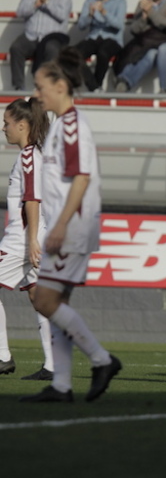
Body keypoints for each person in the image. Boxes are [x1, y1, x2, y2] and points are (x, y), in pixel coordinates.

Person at [20, 47, 122, 403]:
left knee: (45, 301)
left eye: (40, 86)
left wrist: (60, 226)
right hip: (65, 227)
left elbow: (81, 178)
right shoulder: (60, 126)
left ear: (60, 86)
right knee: (54, 301)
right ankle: (62, 385)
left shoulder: (74, 126)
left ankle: (102, 360)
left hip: (72, 229)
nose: (36, 94)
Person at [0, 98, 54, 381]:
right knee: (38, 296)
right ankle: (54, 365)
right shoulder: (34, 153)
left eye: (7, 123)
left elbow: (32, 199)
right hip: (34, 236)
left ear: (22, 126)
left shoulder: (29, 156)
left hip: (23, 238)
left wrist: (32, 240)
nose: (3, 128)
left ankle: (2, 356)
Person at [113, 0, 166, 92]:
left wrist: (151, 12)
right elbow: (134, 30)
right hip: (145, 42)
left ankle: (124, 80)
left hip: (164, 42)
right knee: (146, 53)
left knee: (151, 54)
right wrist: (144, 17)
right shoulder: (143, 2)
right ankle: (124, 81)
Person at [9, 0, 72, 91]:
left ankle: (47, 87)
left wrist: (47, 2)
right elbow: (20, 12)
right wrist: (35, 4)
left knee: (52, 50)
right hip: (31, 35)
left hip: (52, 36)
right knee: (16, 48)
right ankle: (18, 87)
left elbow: (62, 15)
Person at [74, 0, 127, 92]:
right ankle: (94, 87)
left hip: (113, 39)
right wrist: (90, 15)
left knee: (103, 52)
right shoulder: (90, 1)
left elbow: (119, 25)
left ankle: (97, 86)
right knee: (73, 54)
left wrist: (104, 12)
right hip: (94, 37)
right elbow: (81, 26)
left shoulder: (120, 1)